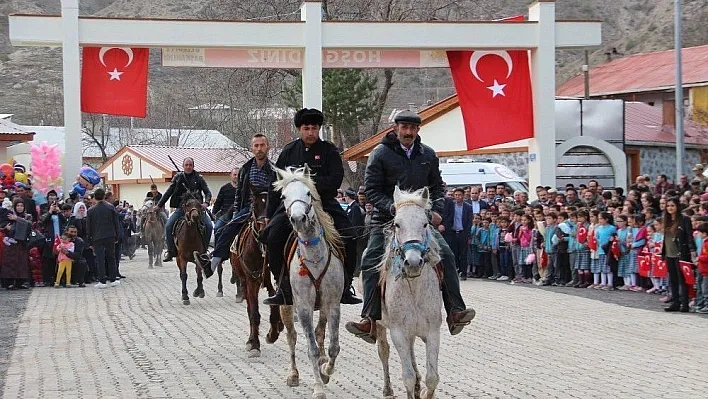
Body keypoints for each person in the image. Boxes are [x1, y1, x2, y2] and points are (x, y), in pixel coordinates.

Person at [344, 110, 475, 343]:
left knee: (446, 254)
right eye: (404, 127)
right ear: (395, 129)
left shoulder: (428, 155)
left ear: (418, 131)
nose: (408, 132)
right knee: (370, 259)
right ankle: (370, 319)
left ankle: (455, 310)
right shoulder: (380, 154)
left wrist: (436, 211)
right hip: (386, 220)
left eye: (412, 128)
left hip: (419, 221)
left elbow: (437, 188)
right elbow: (372, 190)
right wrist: (395, 209)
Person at [261, 108, 361, 305]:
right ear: (299, 129)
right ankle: (282, 287)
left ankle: (345, 287)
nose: (310, 132)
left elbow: (336, 179)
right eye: (306, 128)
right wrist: (269, 214)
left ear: (319, 129)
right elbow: (275, 184)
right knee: (272, 237)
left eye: (314, 128)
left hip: (324, 203)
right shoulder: (289, 151)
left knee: (350, 235)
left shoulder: (329, 150)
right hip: (292, 205)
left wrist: (309, 185)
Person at [207, 134, 275, 277]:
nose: (259, 149)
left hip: (269, 208)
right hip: (248, 207)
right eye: (256, 146)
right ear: (252, 149)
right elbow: (239, 193)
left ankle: (283, 275)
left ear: (268, 147)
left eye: (262, 145)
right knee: (229, 228)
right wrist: (236, 211)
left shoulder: (274, 170)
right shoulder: (246, 168)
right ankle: (214, 262)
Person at [156, 157, 213, 263]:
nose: (188, 167)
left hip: (196, 208)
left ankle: (204, 251)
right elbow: (168, 192)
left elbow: (208, 192)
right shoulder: (178, 178)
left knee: (209, 226)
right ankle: (171, 251)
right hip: (182, 208)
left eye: (190, 165)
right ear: (183, 166)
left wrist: (206, 202)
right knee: (168, 226)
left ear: (193, 166)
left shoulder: (199, 178)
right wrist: (159, 205)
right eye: (186, 165)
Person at [662, 197, 696, 312]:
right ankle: (675, 302)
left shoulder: (684, 219)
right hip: (669, 253)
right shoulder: (666, 220)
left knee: (682, 280)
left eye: (672, 206)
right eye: (668, 206)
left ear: (677, 206)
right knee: (673, 279)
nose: (670, 208)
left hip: (680, 253)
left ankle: (685, 304)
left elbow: (689, 235)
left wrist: (692, 250)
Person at [86, 188, 121, 288]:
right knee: (111, 257)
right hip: (110, 235)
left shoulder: (91, 210)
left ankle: (102, 281)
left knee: (100, 258)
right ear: (104, 196)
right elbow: (116, 223)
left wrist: (89, 240)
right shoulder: (110, 207)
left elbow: (89, 227)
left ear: (95, 197)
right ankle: (113, 279)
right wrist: (117, 236)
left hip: (97, 237)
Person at [442, 187, 473, 280]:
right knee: (453, 253)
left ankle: (464, 272)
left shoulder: (468, 207)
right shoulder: (451, 205)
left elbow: (469, 222)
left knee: (463, 254)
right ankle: (455, 271)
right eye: (456, 195)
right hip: (452, 232)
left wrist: (468, 234)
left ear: (463, 196)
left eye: (459, 195)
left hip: (463, 232)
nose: (458, 197)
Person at [212, 167, 239, 240]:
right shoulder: (224, 188)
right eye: (235, 174)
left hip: (239, 215)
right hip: (225, 215)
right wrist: (214, 213)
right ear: (231, 176)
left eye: (238, 175)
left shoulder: (244, 189)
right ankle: (217, 249)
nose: (236, 176)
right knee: (217, 228)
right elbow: (218, 203)